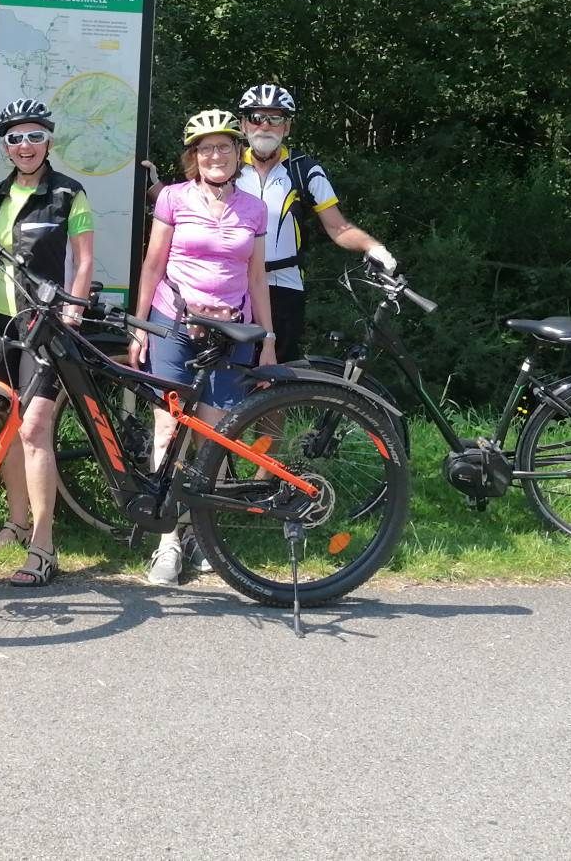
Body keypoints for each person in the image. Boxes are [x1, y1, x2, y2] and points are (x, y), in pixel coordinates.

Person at [127, 109, 273, 587]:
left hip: (229, 332)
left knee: (214, 434)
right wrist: (141, 326)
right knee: (169, 428)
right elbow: (152, 265)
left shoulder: (253, 208)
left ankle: (200, 534)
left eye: (225, 148)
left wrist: (267, 339)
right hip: (174, 325)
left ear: (238, 154)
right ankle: (167, 541)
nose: (216, 156)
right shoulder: (172, 198)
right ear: (194, 157)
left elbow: (256, 278)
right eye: (206, 148)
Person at [0, 98, 94, 587]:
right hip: (0, 323)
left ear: (48, 141)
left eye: (34, 136)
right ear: (5, 145)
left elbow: (83, 261)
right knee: (5, 426)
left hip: (44, 323)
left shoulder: (68, 194)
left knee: (35, 426)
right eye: (15, 137)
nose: (25, 145)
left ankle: (43, 545)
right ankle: (17, 524)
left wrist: (73, 312)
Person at [233, 83, 395, 363]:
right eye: (257, 117)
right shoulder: (228, 166)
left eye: (276, 118)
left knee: (275, 376)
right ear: (243, 124)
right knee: (228, 369)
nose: (265, 126)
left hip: (283, 284)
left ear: (287, 127)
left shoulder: (304, 169)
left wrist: (374, 247)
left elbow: (337, 226)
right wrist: (153, 188)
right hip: (232, 280)